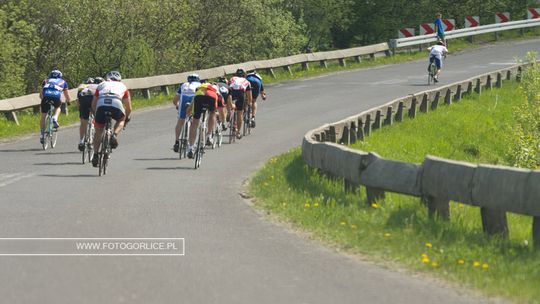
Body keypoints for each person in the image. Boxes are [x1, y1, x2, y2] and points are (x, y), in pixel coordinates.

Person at [90, 71, 132, 167]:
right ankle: (114, 134)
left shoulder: (101, 84)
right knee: (121, 119)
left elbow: (93, 103)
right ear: (119, 79)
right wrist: (126, 118)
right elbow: (129, 108)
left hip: (101, 104)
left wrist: (95, 113)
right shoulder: (123, 86)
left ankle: (95, 155)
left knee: (98, 131)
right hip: (116, 102)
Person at [186, 83, 219, 159]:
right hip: (211, 97)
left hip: (199, 97)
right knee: (212, 114)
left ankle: (191, 147)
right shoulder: (214, 90)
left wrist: (188, 114)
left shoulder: (198, 90)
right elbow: (215, 109)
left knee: (195, 123)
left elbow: (190, 107)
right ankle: (209, 135)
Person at [39, 69, 71, 144]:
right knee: (58, 107)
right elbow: (67, 95)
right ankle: (55, 117)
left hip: (46, 97)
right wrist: (69, 101)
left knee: (43, 115)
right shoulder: (63, 82)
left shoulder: (45, 81)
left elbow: (41, 95)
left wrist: (44, 100)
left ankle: (42, 135)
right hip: (56, 97)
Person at [172, 74, 201, 152]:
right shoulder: (200, 85)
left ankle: (177, 141)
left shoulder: (183, 85)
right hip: (193, 97)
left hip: (184, 97)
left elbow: (175, 100)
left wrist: (178, 106)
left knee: (180, 121)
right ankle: (191, 144)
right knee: (194, 122)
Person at [227, 69, 252, 139]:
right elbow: (249, 96)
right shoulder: (246, 81)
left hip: (231, 92)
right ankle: (238, 132)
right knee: (239, 113)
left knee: (229, 102)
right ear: (244, 75)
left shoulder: (232, 78)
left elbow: (227, 88)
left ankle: (229, 112)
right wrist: (249, 104)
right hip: (240, 93)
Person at [77, 77, 98, 151]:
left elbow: (79, 102)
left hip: (84, 99)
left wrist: (81, 113)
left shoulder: (81, 86)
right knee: (98, 119)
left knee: (83, 122)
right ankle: (91, 139)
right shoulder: (98, 86)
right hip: (94, 99)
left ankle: (82, 141)